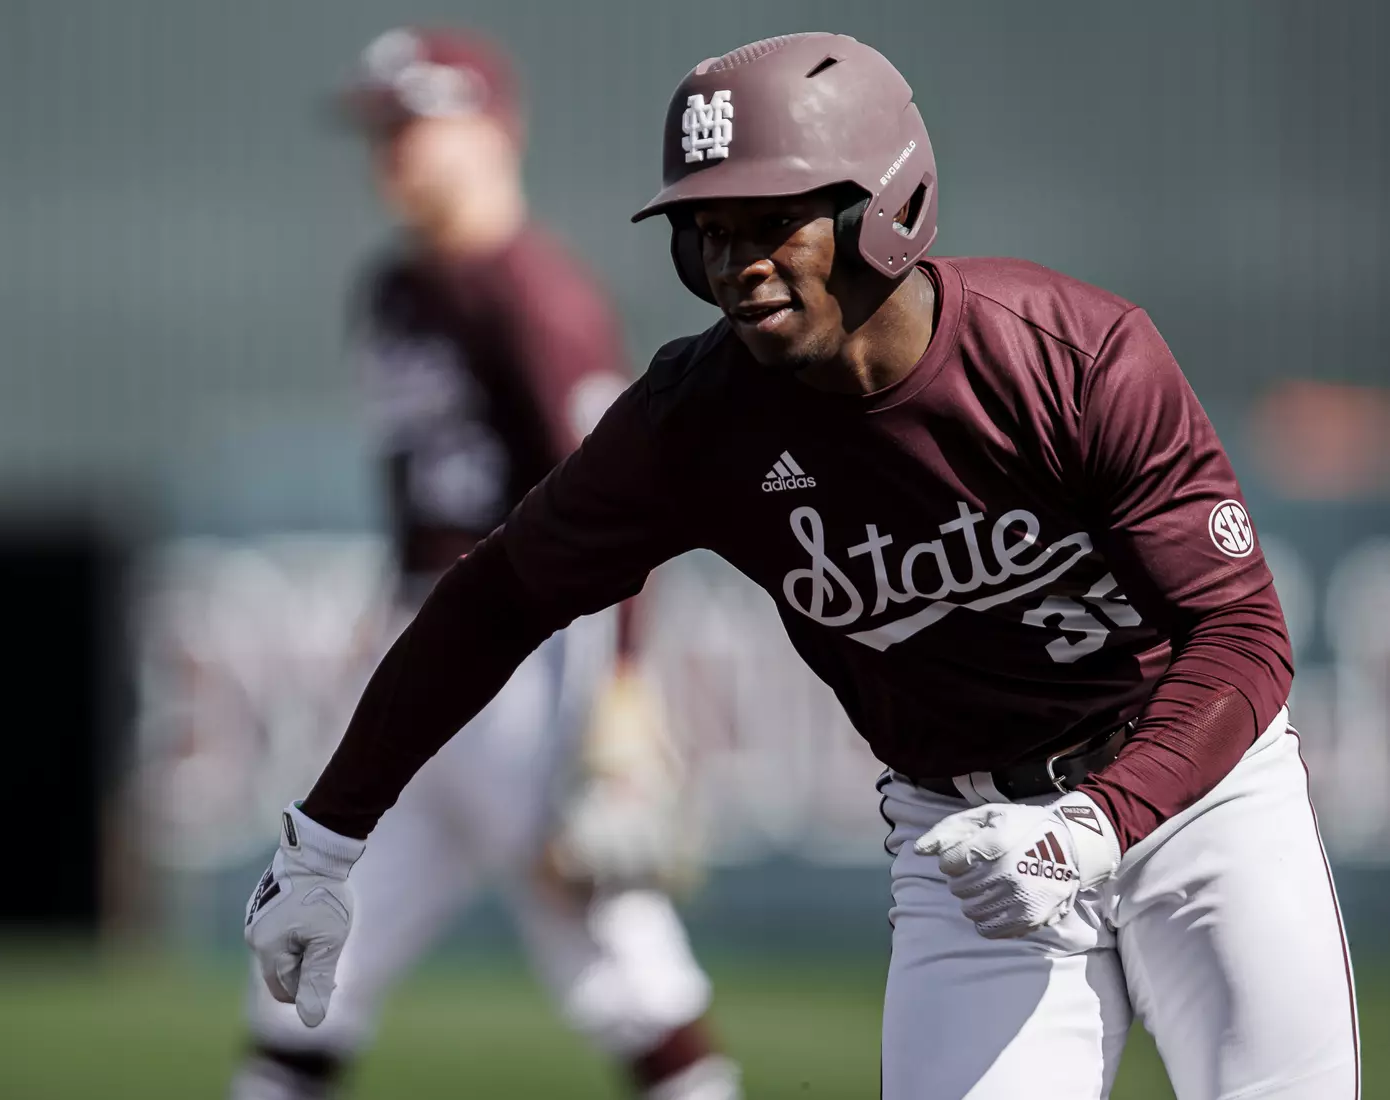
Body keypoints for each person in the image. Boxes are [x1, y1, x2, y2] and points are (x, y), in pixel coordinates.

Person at [244, 31, 1360, 1100]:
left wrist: (1101, 817)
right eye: (709, 231)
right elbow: (492, 599)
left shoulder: (1072, 355)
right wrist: (325, 839)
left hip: (1193, 802)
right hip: (959, 835)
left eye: (775, 220)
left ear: (887, 208)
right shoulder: (697, 417)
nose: (738, 263)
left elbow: (1243, 636)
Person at [230, 27, 740, 1100]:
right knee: (306, 955)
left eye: (416, 123)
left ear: (495, 129)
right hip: (431, 650)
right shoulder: (398, 289)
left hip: (525, 663)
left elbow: (622, 507)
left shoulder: (536, 294)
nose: (393, 150)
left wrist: (620, 692)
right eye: (382, 128)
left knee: (621, 960)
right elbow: (412, 493)